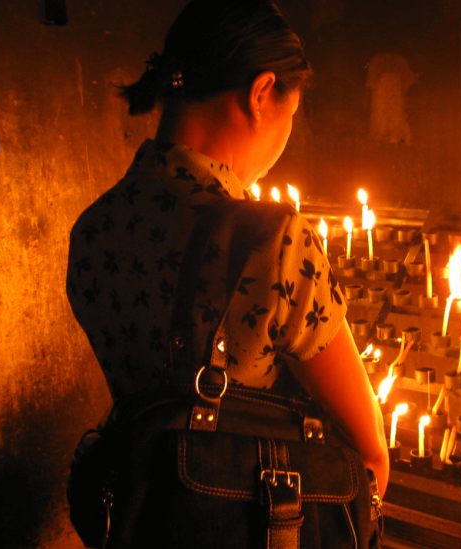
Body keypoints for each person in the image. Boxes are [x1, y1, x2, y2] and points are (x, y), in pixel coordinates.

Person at [66, 0, 388, 517]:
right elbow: (368, 453)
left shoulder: (94, 227)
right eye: (292, 117)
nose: (285, 140)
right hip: (253, 522)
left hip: (143, 516)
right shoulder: (272, 239)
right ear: (262, 94)